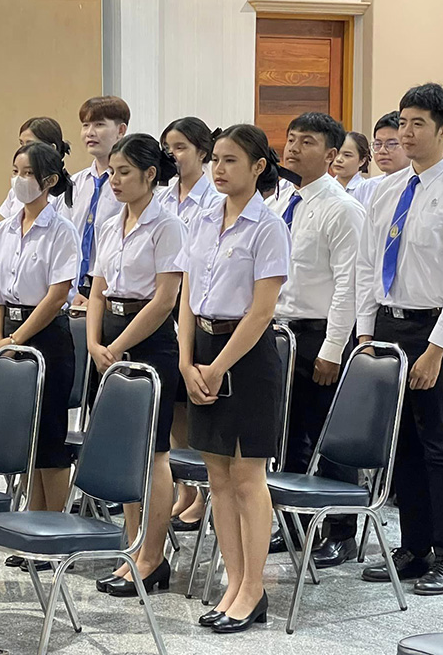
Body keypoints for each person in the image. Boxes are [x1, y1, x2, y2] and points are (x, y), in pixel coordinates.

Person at [357, 83, 443, 595]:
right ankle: (414, 547)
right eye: (402, 122)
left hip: (437, 329)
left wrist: (437, 349)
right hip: (389, 325)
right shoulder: (386, 190)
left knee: (439, 442)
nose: (406, 133)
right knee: (402, 443)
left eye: (418, 124)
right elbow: (368, 265)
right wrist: (366, 333)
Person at [177, 124, 290, 634]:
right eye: (216, 160)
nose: (219, 170)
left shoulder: (268, 226)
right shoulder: (202, 218)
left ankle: (254, 588)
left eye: (230, 161)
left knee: (247, 477)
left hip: (244, 359)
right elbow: (187, 295)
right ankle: (233, 581)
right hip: (201, 350)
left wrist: (218, 366)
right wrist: (186, 362)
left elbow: (262, 310)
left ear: (258, 167)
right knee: (217, 479)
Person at [265, 113, 365, 568]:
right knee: (288, 435)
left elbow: (349, 285)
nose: (293, 148)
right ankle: (293, 525)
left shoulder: (342, 208)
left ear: (330, 155)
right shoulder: (285, 201)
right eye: (291, 139)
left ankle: (341, 531)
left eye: (306, 141)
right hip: (282, 332)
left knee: (330, 437)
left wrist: (332, 348)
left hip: (320, 334)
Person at [88, 134, 181, 598]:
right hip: (110, 337)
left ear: (150, 174)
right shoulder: (110, 225)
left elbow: (165, 299)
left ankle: (153, 556)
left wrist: (119, 345)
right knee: (126, 450)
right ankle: (131, 548)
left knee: (154, 452)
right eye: (112, 172)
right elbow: (97, 290)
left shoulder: (168, 226)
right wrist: (95, 342)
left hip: (150, 342)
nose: (115, 180)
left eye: (124, 172)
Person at [0, 143, 79, 523]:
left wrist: (16, 339)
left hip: (45, 338)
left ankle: (54, 524)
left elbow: (57, 295)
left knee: (49, 439)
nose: (19, 180)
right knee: (26, 438)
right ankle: (33, 520)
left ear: (49, 180)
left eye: (27, 174)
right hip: (8, 337)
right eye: (15, 171)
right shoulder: (6, 227)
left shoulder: (61, 229)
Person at [157, 117, 224, 532]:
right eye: (168, 148)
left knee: (196, 408)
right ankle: (184, 488)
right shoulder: (162, 196)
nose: (173, 156)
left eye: (181, 147)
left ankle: (203, 493)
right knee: (175, 408)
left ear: (202, 152)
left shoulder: (214, 199)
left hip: (197, 307)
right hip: (164, 308)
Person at [57, 96, 130, 305]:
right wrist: (69, 292)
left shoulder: (129, 185)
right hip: (74, 289)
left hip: (113, 288)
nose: (90, 132)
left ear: (121, 130)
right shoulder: (74, 183)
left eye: (99, 125)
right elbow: (64, 242)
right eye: (85, 125)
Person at [0, 117, 72, 219]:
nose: (24, 150)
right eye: (21, 144)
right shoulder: (17, 189)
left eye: (31, 144)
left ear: (51, 148)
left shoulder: (65, 194)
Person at [357, 111, 412, 205]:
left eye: (391, 144)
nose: (382, 151)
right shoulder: (366, 188)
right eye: (377, 144)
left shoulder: (416, 186)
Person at [330, 131, 373, 207]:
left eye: (347, 155)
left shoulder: (367, 191)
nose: (339, 159)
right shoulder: (325, 187)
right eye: (336, 153)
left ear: (362, 160)